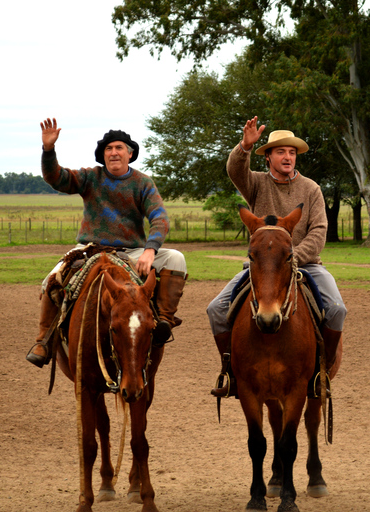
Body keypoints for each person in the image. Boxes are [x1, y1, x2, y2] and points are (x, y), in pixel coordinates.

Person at [25, 118, 187, 368]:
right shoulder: (91, 177)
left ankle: (162, 321)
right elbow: (56, 178)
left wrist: (150, 250)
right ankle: (43, 340)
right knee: (51, 279)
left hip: (131, 251)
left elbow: (160, 217)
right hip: (90, 249)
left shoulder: (143, 183)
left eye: (119, 148)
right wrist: (49, 150)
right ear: (103, 155)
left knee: (176, 257)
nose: (113, 152)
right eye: (108, 149)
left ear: (130, 154)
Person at [208, 116, 346, 398]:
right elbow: (235, 172)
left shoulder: (311, 189)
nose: (287, 157)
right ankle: (230, 371)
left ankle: (323, 372)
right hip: (262, 268)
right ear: (268, 157)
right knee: (216, 310)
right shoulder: (256, 183)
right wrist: (244, 148)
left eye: (292, 152)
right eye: (281, 152)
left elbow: (319, 230)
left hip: (306, 265)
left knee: (336, 309)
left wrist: (294, 258)